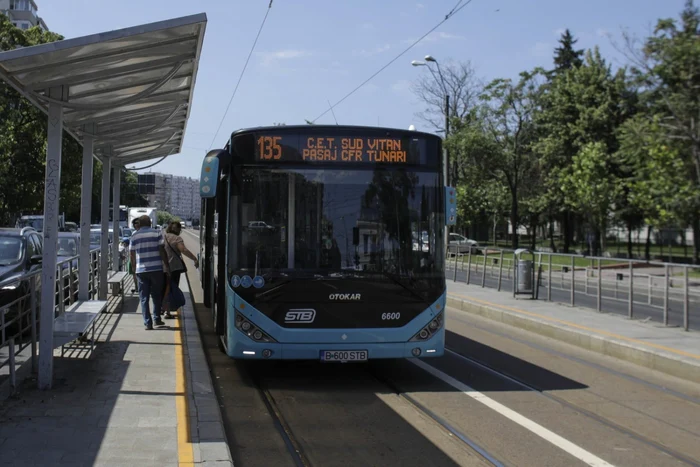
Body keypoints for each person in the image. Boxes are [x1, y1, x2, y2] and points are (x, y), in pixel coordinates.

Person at [129, 215, 170, 330]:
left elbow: (132, 254)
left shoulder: (134, 235)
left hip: (141, 270)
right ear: (150, 223)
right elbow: (162, 250)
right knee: (156, 295)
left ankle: (148, 323)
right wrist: (166, 265)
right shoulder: (157, 233)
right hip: (157, 269)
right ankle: (157, 318)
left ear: (140, 224)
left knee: (144, 297)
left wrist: (133, 267)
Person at [162, 221, 199, 319]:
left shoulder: (163, 236)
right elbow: (183, 250)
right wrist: (194, 258)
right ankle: (168, 311)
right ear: (178, 229)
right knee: (172, 289)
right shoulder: (177, 238)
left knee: (164, 288)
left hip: (163, 267)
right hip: (174, 268)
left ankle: (162, 308)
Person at [129, 218, 140, 294]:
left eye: (137, 223)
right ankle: (136, 287)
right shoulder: (134, 233)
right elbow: (131, 249)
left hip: (140, 257)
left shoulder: (136, 234)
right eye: (134, 223)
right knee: (134, 273)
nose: (136, 224)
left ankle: (139, 287)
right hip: (135, 256)